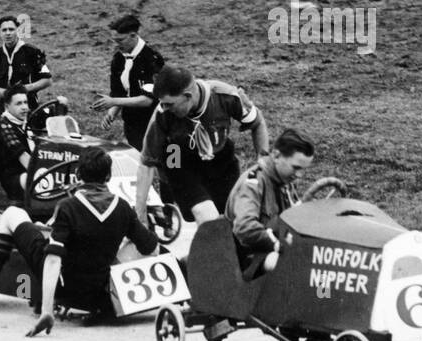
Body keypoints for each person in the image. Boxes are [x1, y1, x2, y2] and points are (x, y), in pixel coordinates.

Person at [0, 146, 160, 336]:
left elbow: (53, 260)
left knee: (11, 214)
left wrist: (46, 310)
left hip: (65, 289)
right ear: (108, 176)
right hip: (96, 292)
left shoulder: (68, 206)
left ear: (79, 175)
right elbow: (151, 248)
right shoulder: (123, 208)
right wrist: (116, 255)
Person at [135, 65, 270, 226]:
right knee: (207, 217)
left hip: (219, 158)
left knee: (232, 218)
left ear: (187, 96)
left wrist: (263, 165)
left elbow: (258, 123)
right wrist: (140, 211)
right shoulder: (162, 114)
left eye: (169, 104)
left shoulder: (226, 96)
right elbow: (146, 163)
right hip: (178, 160)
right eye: (162, 104)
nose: (164, 108)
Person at [226, 128, 315, 279]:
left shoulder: (285, 181)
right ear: (276, 156)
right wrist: (276, 244)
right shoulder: (253, 183)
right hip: (239, 259)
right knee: (287, 264)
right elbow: (244, 227)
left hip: (262, 252)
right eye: (296, 168)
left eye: (303, 170)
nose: (299, 175)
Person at [92, 13, 166, 151]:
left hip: (153, 124)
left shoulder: (151, 58)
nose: (117, 45)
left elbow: (148, 100)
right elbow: (119, 92)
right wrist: (111, 113)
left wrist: (114, 102)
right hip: (131, 124)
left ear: (133, 35)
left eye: (120, 40)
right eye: (114, 40)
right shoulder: (118, 59)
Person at [0, 14, 52, 113]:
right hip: (6, 106)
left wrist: (26, 89)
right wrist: (10, 94)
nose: (8, 33)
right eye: (4, 30)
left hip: (28, 104)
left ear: (17, 30)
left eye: (11, 29)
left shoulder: (32, 52)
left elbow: (47, 80)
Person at [0, 85, 35, 201]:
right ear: (7, 106)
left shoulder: (26, 123)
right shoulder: (4, 125)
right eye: (19, 104)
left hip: (29, 171)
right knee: (39, 180)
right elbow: (23, 156)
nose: (24, 107)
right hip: (12, 178)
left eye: (25, 102)